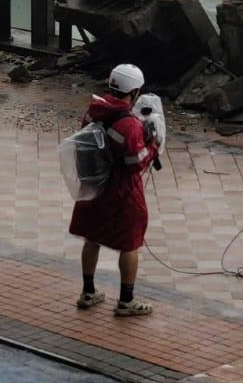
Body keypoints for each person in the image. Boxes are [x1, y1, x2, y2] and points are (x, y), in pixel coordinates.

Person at [68, 63, 158, 316]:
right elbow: (135, 162)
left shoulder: (93, 110)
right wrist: (152, 145)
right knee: (130, 243)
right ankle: (126, 301)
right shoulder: (129, 125)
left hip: (93, 186)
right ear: (135, 92)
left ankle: (88, 292)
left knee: (92, 237)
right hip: (122, 191)